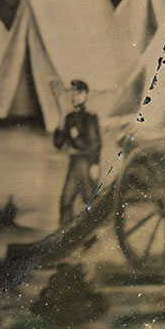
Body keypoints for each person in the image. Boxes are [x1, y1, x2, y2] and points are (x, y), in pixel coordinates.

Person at [53, 80, 102, 226]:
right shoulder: (69, 118)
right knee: (66, 201)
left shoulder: (90, 117)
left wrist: (95, 164)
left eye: (79, 93)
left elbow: (95, 144)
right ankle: (63, 236)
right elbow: (58, 144)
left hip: (85, 162)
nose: (75, 96)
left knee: (89, 199)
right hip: (74, 163)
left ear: (86, 95)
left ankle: (90, 234)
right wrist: (60, 125)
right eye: (73, 93)